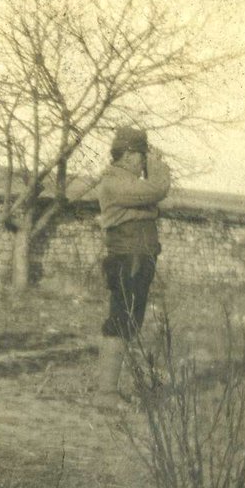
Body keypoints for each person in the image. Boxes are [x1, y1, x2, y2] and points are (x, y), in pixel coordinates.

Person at [92, 126, 171, 406]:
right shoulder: (115, 182)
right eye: (141, 156)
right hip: (129, 259)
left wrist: (150, 169)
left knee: (129, 322)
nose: (142, 162)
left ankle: (109, 391)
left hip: (139, 257)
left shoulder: (128, 184)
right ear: (126, 155)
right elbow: (158, 190)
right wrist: (157, 164)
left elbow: (151, 199)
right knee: (120, 320)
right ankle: (106, 393)